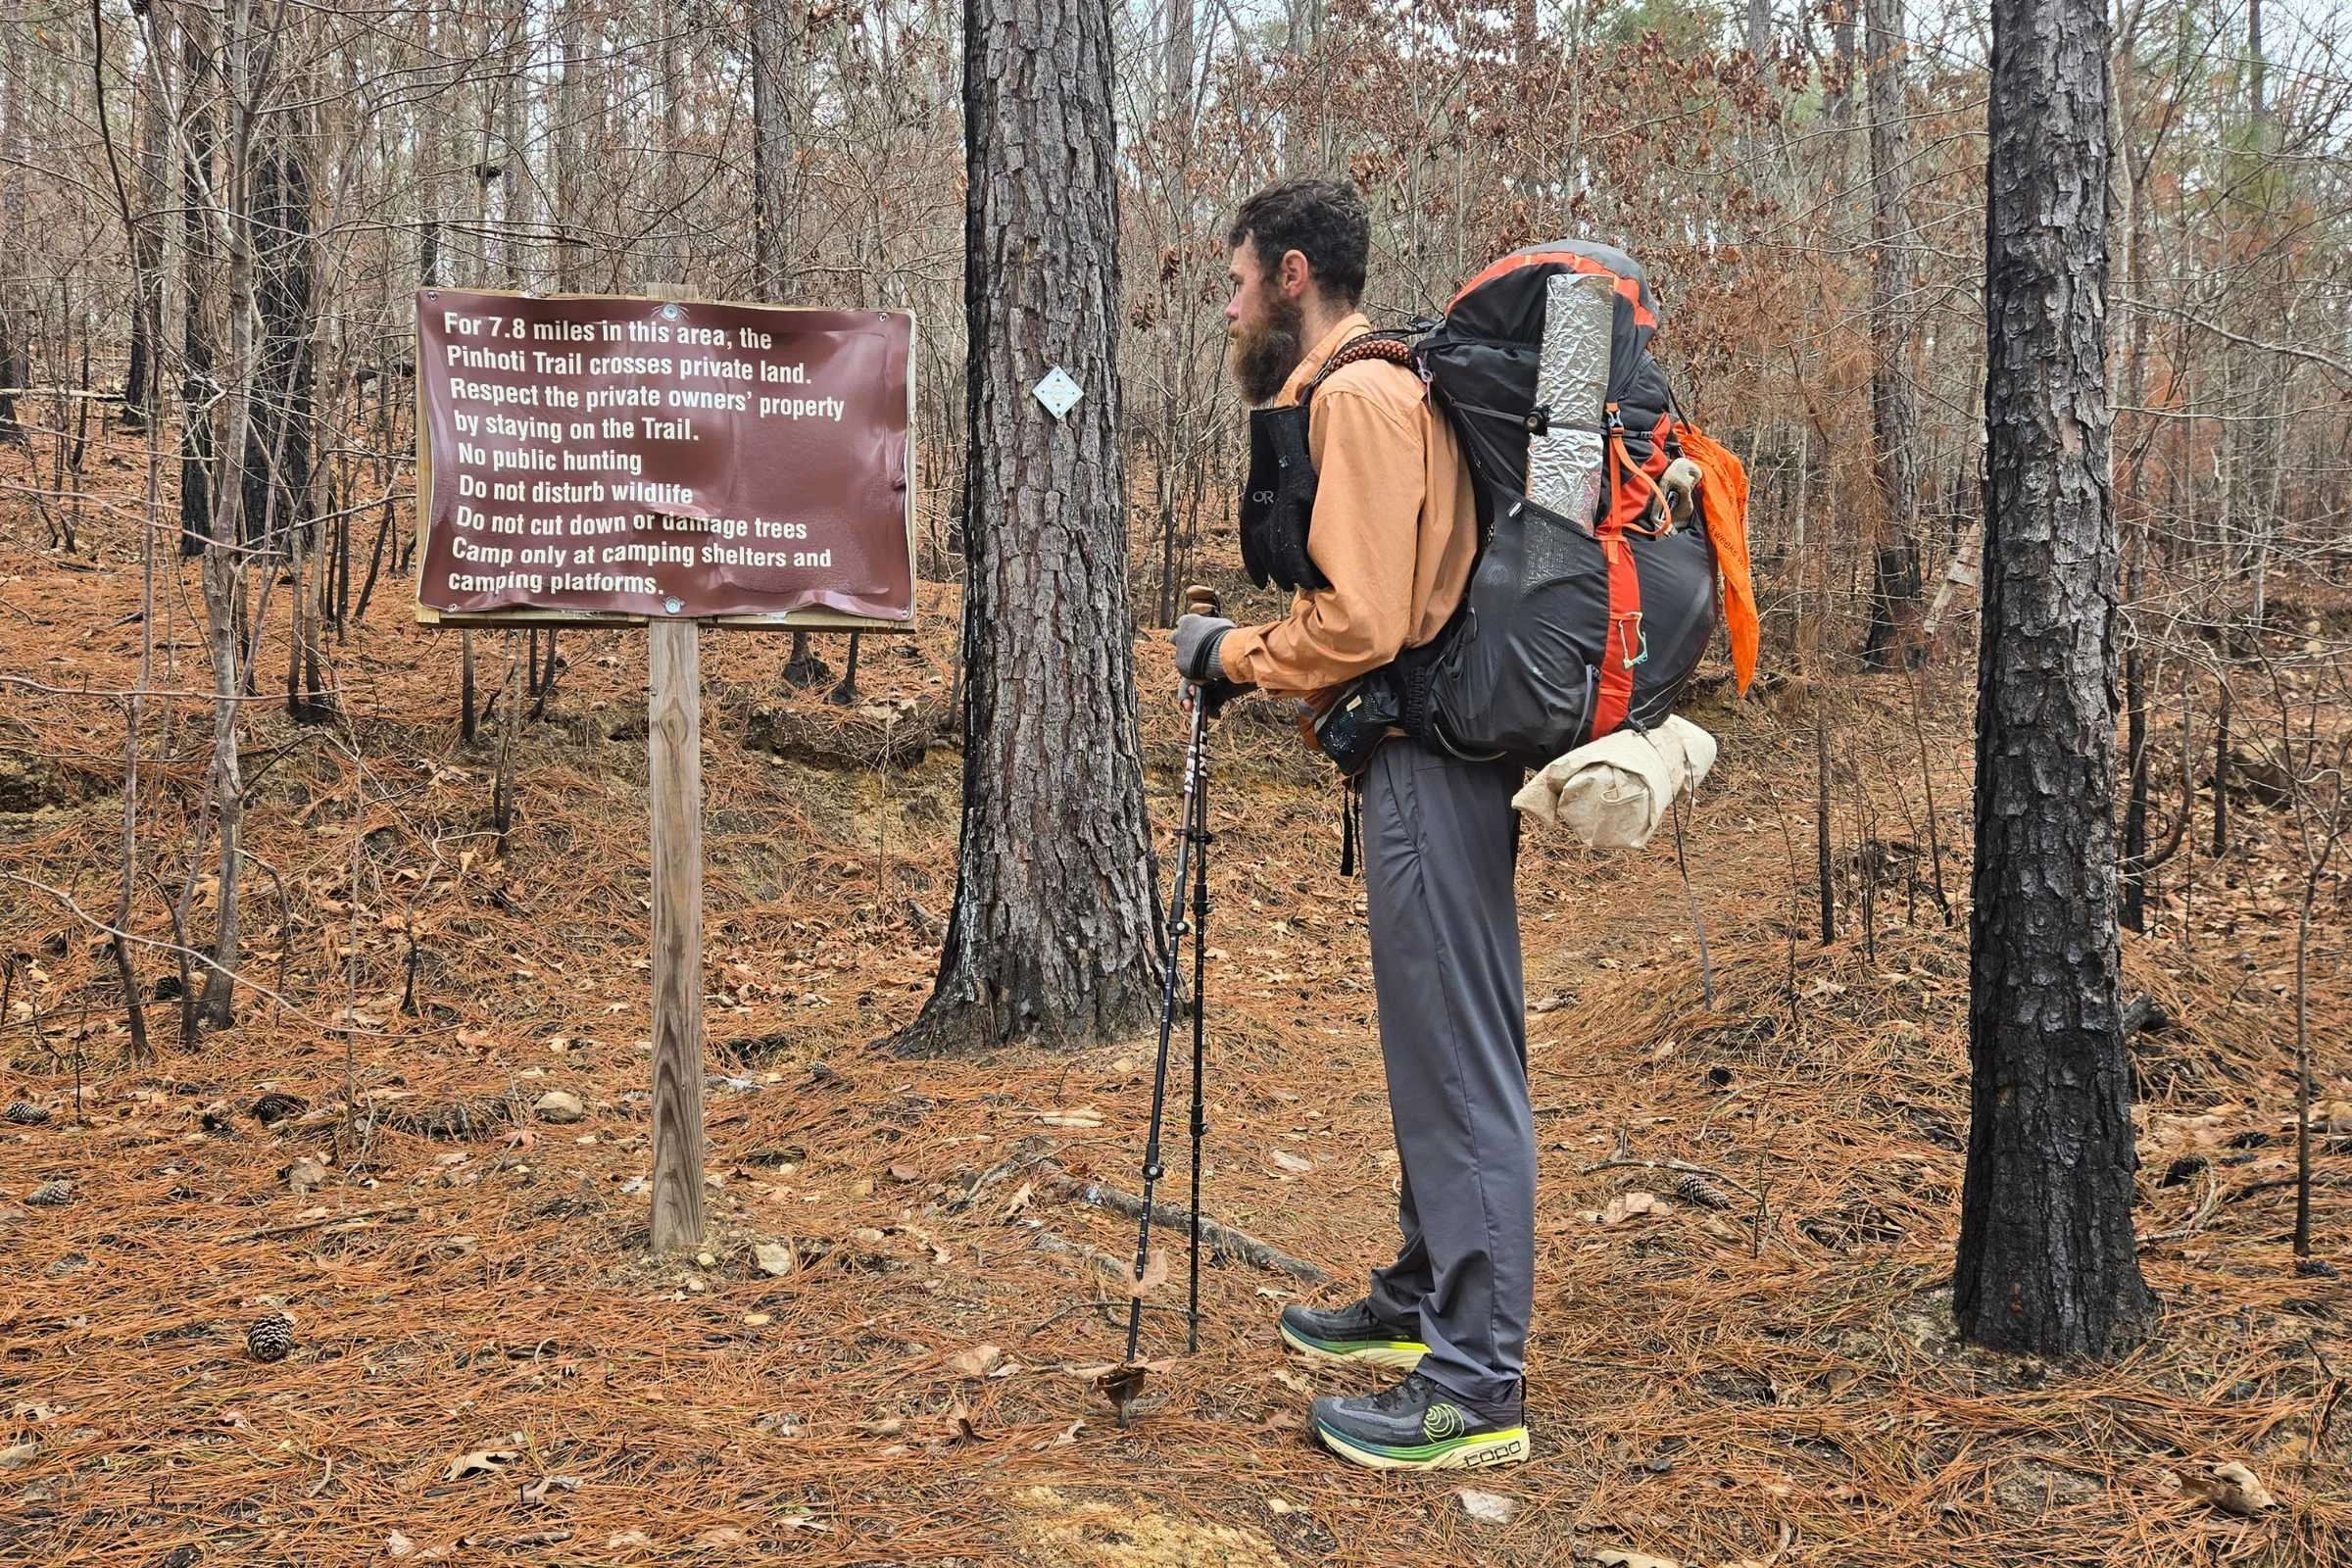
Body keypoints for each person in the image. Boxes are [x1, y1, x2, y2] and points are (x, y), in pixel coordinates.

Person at [1169, 178, 1534, 1472]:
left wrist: (1231, 654)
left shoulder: (1363, 398)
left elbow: (1366, 622)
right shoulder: (1378, 388)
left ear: (1292, 272)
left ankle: (1475, 1387)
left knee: (1458, 1068)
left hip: (1428, 762)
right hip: (1420, 759)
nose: (1226, 305)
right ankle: (1427, 1298)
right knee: (1435, 1053)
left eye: (1234, 279)